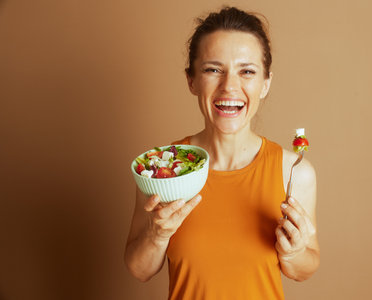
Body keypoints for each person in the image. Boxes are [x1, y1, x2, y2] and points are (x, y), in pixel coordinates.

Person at [124, 6, 320, 300]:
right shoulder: (163, 170)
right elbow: (140, 270)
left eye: (247, 72)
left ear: (265, 84)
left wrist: (294, 252)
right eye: (213, 70)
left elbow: (304, 268)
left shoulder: (294, 173)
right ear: (192, 81)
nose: (230, 86)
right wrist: (158, 234)